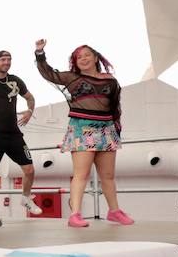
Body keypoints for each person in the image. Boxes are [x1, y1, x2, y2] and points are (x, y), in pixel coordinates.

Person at [33, 40, 133, 227]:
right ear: (75, 62)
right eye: (79, 57)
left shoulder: (111, 81)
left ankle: (114, 211)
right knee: (81, 174)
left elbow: (115, 107)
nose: (83, 58)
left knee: (108, 175)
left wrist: (116, 130)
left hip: (106, 129)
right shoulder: (71, 78)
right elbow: (49, 73)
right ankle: (75, 214)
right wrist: (40, 53)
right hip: (82, 128)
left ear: (96, 58)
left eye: (87, 55)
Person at [0, 50, 42, 217]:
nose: (7, 62)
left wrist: (30, 111)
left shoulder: (15, 81)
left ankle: (25, 198)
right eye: (3, 59)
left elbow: (30, 97)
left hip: (13, 134)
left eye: (9, 59)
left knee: (29, 170)